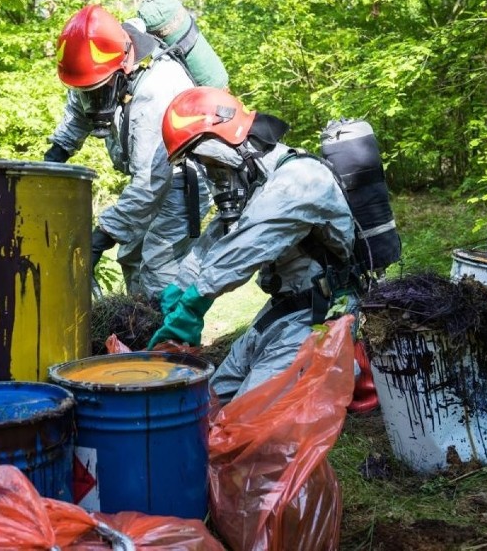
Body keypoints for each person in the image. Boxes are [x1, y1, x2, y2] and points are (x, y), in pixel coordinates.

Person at [148, 86, 357, 404]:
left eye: (214, 165)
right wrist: (177, 290)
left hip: (324, 314)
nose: (215, 177)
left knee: (248, 416)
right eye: (206, 168)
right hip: (285, 308)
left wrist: (194, 303)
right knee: (212, 400)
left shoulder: (299, 180)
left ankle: (346, 365)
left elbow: (246, 246)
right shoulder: (257, 183)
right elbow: (213, 242)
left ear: (234, 144)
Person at [45, 4, 212, 299]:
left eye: (97, 88)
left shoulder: (156, 88)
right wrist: (56, 154)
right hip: (147, 178)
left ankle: (170, 343)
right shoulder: (96, 68)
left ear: (123, 66)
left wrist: (100, 238)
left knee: (159, 271)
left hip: (180, 180)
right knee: (131, 257)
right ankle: (138, 337)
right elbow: (79, 108)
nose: (92, 97)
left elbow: (151, 183)